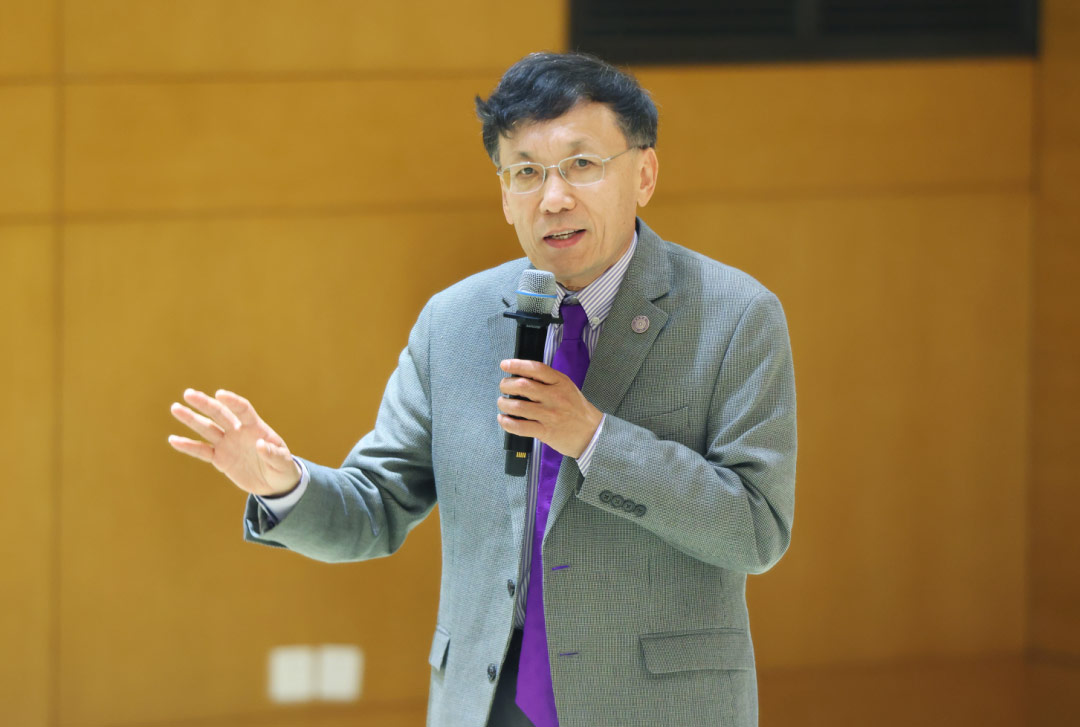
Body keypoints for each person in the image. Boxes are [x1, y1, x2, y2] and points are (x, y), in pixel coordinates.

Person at [168, 51, 796, 727]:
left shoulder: (735, 315)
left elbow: (756, 529)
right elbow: (375, 507)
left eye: (582, 164)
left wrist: (594, 439)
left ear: (643, 174)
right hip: (485, 703)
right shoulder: (454, 322)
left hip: (653, 706)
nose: (553, 198)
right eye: (526, 172)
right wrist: (283, 483)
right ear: (504, 195)